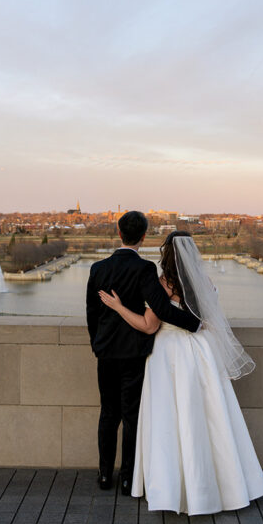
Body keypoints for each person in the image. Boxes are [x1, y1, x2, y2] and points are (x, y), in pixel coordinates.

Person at [98, 231, 263, 515]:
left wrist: (118, 307)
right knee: (210, 418)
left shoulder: (164, 284)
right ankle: (223, 487)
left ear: (166, 254)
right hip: (202, 352)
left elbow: (148, 326)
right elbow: (208, 320)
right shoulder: (206, 283)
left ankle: (172, 488)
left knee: (169, 419)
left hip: (169, 355)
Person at [85, 211, 201, 495]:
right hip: (135, 353)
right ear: (144, 236)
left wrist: (97, 343)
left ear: (118, 232)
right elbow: (161, 309)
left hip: (106, 353)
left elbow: (91, 313)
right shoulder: (144, 269)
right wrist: (195, 323)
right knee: (131, 415)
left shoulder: (98, 269)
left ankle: (104, 475)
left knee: (108, 413)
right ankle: (127, 479)